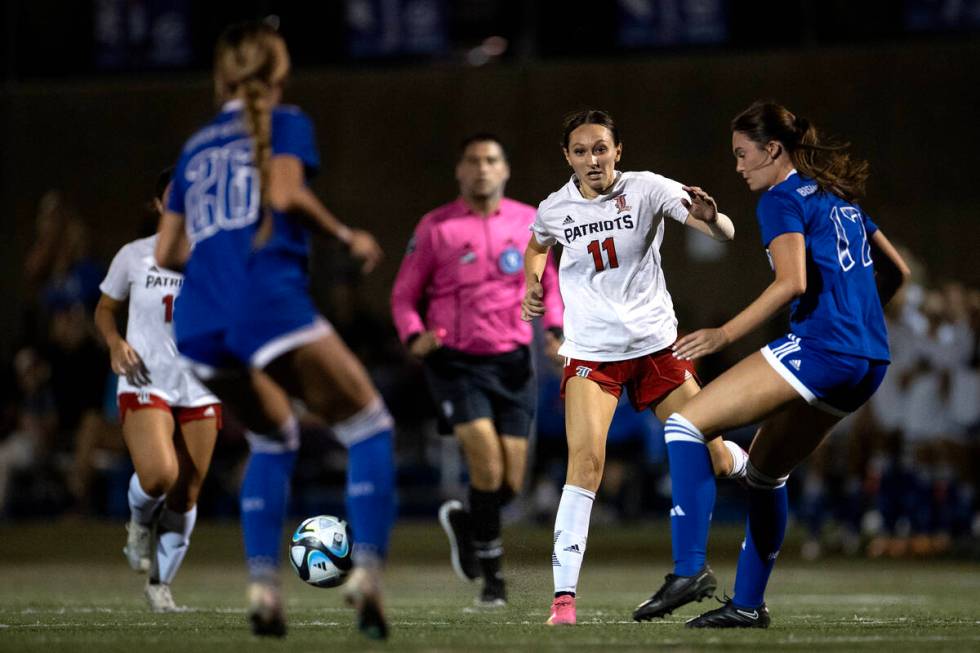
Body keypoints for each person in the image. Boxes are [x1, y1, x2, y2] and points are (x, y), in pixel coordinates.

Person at [155, 21, 395, 640]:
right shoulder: (287, 122)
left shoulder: (194, 147)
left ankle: (264, 590)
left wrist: (219, 254)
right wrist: (347, 237)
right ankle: (365, 575)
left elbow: (167, 252)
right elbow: (286, 195)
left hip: (199, 319)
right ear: (278, 73)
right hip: (264, 300)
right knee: (369, 426)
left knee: (273, 438)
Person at [657, 101, 909, 628]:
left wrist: (724, 333)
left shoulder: (779, 198)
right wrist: (856, 317)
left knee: (685, 424)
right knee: (766, 475)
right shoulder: (839, 199)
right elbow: (898, 271)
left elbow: (791, 281)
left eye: (743, 153)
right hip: (869, 360)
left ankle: (689, 570)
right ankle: (747, 604)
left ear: (773, 149)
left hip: (823, 347)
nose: (738, 166)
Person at [521, 109, 748, 626]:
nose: (592, 159)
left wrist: (712, 217)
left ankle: (753, 469)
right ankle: (563, 602)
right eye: (581, 151)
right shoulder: (556, 207)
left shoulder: (647, 188)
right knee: (586, 466)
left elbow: (726, 234)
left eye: (601, 148)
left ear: (618, 151)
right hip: (591, 356)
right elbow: (537, 245)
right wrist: (534, 284)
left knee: (710, 457)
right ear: (568, 157)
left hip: (656, 349)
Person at [391, 133, 564, 607]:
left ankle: (466, 525)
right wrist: (413, 336)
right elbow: (404, 295)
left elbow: (549, 282)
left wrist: (554, 329)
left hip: (513, 363)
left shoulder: (530, 220)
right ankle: (493, 581)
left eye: (491, 159)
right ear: (460, 171)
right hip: (455, 363)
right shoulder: (435, 228)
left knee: (509, 483)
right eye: (473, 160)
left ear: (505, 169)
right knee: (485, 465)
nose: (482, 168)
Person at [94, 169, 222, 612]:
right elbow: (106, 309)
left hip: (201, 384)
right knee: (158, 476)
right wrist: (114, 342)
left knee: (186, 492)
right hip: (145, 378)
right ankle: (136, 522)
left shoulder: (216, 255)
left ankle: (159, 585)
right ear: (159, 204)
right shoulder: (134, 255)